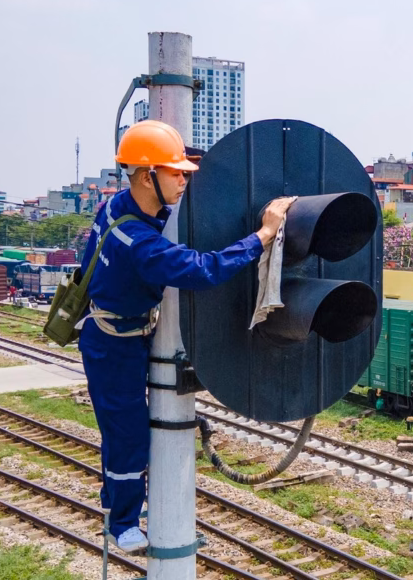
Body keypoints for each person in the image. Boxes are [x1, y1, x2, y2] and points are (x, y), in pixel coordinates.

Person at [79, 120, 292, 553]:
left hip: (122, 332)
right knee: (128, 434)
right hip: (113, 345)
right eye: (175, 173)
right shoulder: (138, 242)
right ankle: (121, 523)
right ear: (145, 176)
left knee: (127, 430)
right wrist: (264, 236)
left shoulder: (121, 206)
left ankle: (117, 501)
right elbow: (201, 270)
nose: (184, 179)